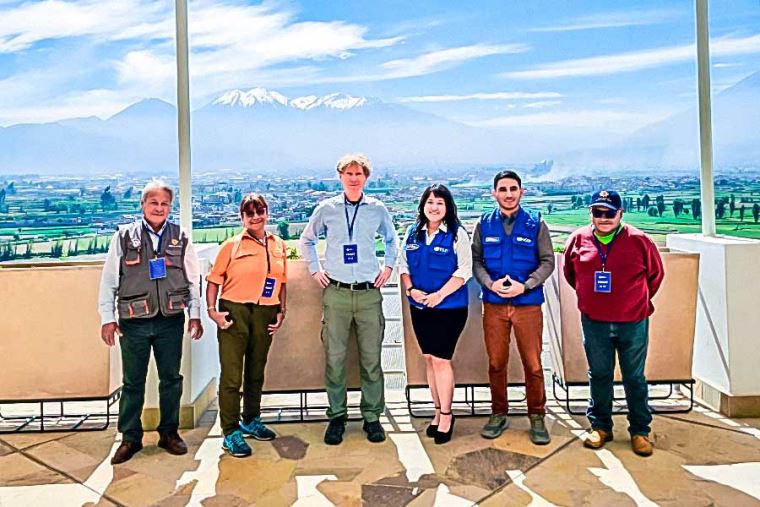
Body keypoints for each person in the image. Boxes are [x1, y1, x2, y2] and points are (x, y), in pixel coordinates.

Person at [98, 179, 203, 465]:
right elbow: (109, 281)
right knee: (133, 382)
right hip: (134, 321)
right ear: (142, 204)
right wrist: (107, 318)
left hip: (170, 319)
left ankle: (169, 433)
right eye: (153, 202)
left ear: (170, 207)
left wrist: (195, 315)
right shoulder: (124, 237)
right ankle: (130, 437)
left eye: (164, 203)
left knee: (171, 380)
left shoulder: (180, 236)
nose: (159, 208)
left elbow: (193, 280)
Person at [299, 153, 398, 446]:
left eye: (359, 174)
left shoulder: (377, 209)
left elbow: (392, 239)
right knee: (335, 358)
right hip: (337, 293)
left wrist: (389, 267)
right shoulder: (326, 209)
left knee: (371, 359)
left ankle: (372, 417)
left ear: (366, 178)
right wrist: (315, 269)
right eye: (349, 173)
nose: (354, 178)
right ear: (340, 177)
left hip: (369, 293)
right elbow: (307, 239)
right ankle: (337, 416)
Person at [563, 189, 664, 457]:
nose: (604, 218)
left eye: (609, 213)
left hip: (633, 321)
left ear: (621, 213)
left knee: (634, 377)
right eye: (598, 212)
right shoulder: (578, 240)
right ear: (590, 213)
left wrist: (633, 300)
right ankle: (600, 427)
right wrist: (592, 299)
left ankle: (640, 431)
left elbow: (655, 276)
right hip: (594, 322)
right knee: (599, 375)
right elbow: (570, 274)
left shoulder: (640, 241)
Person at [472, 170, 555, 444]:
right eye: (503, 189)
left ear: (521, 192)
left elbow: (548, 261)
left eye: (513, 189)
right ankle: (498, 413)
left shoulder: (535, 222)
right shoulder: (484, 223)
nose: (508, 194)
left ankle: (537, 415)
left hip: (527, 305)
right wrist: (489, 283)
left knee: (533, 364)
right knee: (496, 363)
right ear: (494, 193)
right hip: (494, 305)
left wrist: (526, 285)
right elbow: (476, 261)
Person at [205, 194, 287, 458]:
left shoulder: (278, 245)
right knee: (232, 375)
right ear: (242, 218)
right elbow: (214, 280)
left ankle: (251, 420)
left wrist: (281, 311)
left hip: (265, 312)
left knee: (255, 371)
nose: (255, 217)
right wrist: (213, 312)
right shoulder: (231, 246)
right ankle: (230, 431)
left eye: (260, 211)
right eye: (249, 213)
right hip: (235, 312)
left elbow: (281, 282)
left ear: (267, 213)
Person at [399, 184, 471, 445]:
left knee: (441, 360)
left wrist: (439, 296)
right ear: (422, 206)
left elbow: (464, 270)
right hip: (420, 307)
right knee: (429, 359)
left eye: (440, 202)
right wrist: (411, 290)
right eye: (430, 202)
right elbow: (403, 265)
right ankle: (437, 410)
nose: (434, 207)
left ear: (448, 207)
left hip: (449, 309)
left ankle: (447, 416)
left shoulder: (456, 234)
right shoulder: (412, 232)